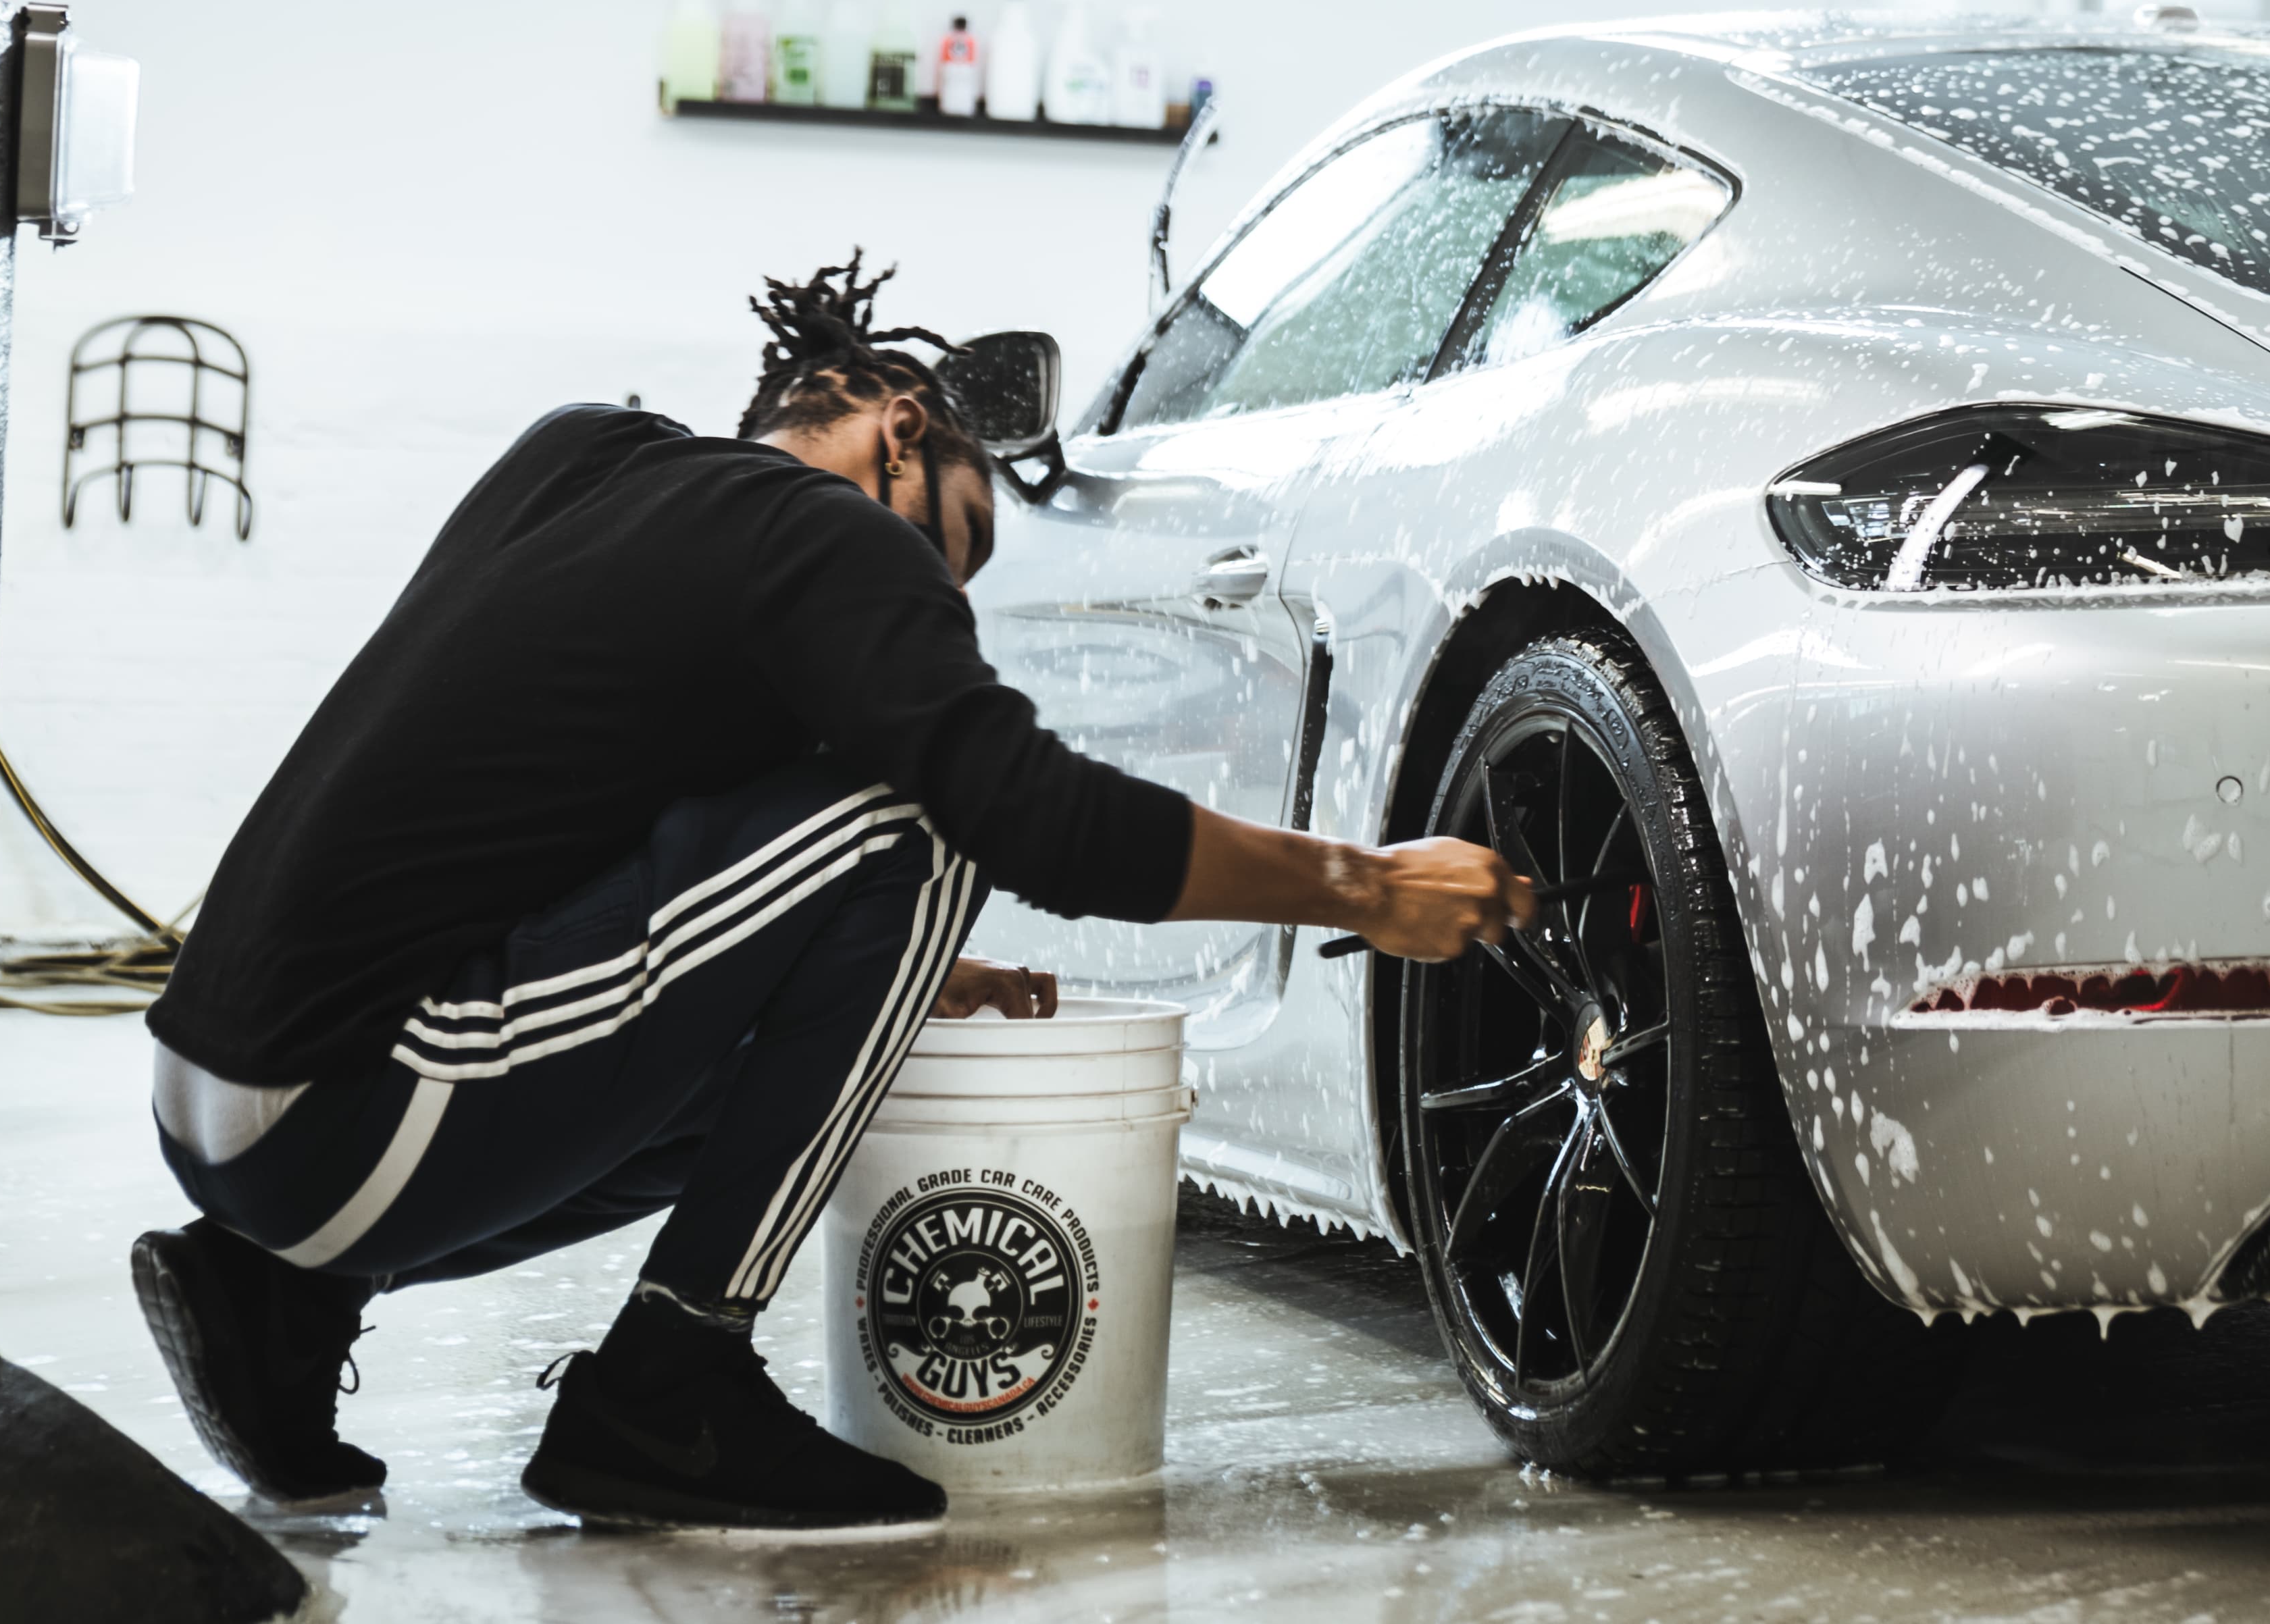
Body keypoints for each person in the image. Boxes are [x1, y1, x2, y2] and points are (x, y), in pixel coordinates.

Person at [127, 250, 1527, 1538]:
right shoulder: (823, 530)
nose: (935, 595)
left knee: (853, 923)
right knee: (923, 819)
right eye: (949, 544)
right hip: (364, 1099)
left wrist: (886, 973)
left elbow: (555, 809)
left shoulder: (581, 456)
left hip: (225, 1096)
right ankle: (669, 1386)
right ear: (899, 424)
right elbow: (1030, 814)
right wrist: (1363, 883)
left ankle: (281, 1303)